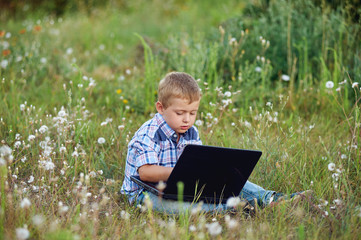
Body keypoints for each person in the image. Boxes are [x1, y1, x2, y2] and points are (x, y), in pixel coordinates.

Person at [120, 72, 304, 213]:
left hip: (179, 184)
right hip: (145, 193)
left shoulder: (190, 131)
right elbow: (145, 172)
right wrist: (184, 172)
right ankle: (234, 208)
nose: (187, 120)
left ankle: (270, 199)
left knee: (230, 177)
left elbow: (197, 162)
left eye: (192, 113)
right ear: (161, 108)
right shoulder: (149, 133)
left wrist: (206, 172)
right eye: (180, 113)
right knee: (178, 207)